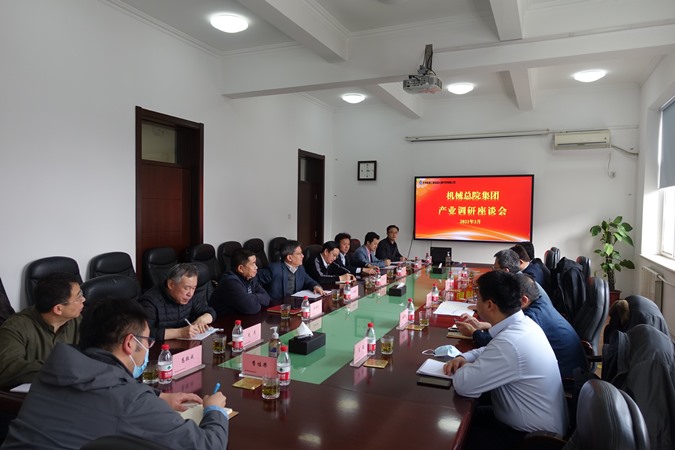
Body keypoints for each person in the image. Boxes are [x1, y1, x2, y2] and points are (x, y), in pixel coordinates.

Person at [1, 298, 228, 449]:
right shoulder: (131, 402)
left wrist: (157, 395)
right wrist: (215, 410)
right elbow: (207, 445)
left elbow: (102, 388)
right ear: (130, 343)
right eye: (147, 341)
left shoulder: (53, 372)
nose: (148, 348)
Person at [444, 270, 567, 449]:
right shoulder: (523, 325)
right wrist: (464, 356)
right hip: (529, 422)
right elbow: (492, 349)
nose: (475, 304)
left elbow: (464, 385)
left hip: (531, 440)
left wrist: (464, 367)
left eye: (478, 299)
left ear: (490, 305)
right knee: (464, 417)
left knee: (452, 435)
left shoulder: (510, 343)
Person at [457, 273, 587, 379]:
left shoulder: (533, 317)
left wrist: (475, 333)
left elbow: (500, 343)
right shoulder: (538, 304)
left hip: (567, 377)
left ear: (524, 300)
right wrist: (485, 325)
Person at [0, 273, 83, 388]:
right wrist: (62, 371)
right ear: (58, 309)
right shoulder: (16, 327)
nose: (84, 299)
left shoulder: (76, 320)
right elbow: (7, 369)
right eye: (79, 297)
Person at [139, 263, 216, 341]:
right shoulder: (150, 302)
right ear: (171, 284)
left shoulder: (188, 298)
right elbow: (143, 334)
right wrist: (180, 332)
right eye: (186, 288)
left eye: (193, 288)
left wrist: (201, 320)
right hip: (159, 346)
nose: (190, 293)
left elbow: (211, 311)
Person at [209, 248, 271, 315]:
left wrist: (250, 297)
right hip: (223, 319)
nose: (256, 267)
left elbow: (266, 299)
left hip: (241, 316)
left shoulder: (250, 277)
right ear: (241, 268)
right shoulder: (230, 282)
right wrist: (254, 299)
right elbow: (252, 308)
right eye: (253, 264)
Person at [258, 240, 325, 301]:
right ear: (289, 258)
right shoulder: (273, 269)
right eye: (299, 254)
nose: (303, 256)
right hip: (275, 305)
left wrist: (315, 286)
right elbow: (255, 282)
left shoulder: (300, 268)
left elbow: (307, 280)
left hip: (294, 304)